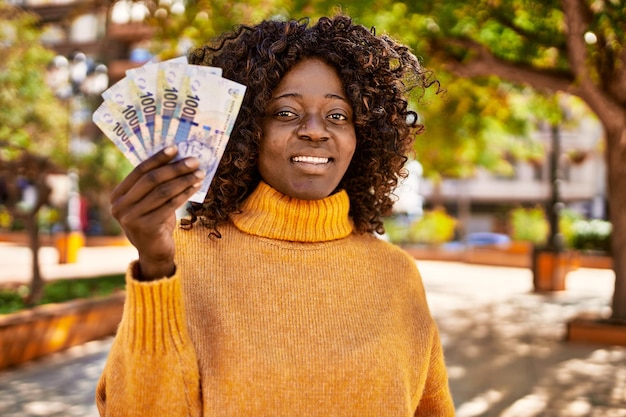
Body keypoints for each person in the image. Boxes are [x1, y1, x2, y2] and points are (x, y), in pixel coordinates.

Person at [97, 14, 454, 416]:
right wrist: (156, 268)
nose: (315, 131)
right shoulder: (179, 259)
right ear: (246, 130)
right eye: (286, 113)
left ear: (363, 136)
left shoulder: (397, 274)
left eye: (338, 116)